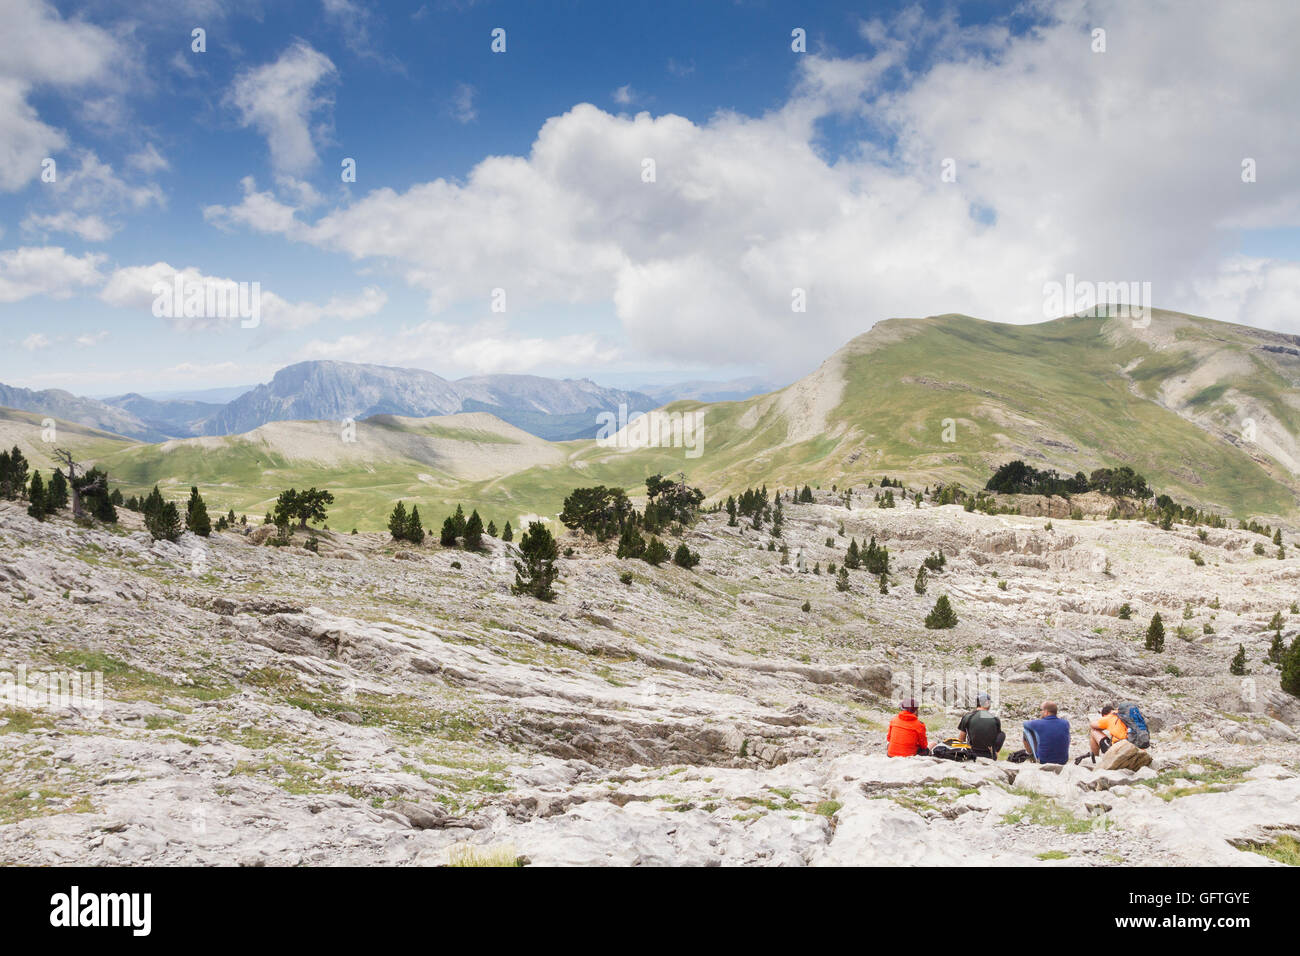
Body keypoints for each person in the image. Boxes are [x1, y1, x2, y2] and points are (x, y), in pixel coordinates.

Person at [957, 692, 1006, 759]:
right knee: (1002, 734)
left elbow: (961, 739)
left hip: (971, 753)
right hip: (988, 755)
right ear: (986, 703)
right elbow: (998, 738)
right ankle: (995, 755)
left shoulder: (967, 717)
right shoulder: (995, 719)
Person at [1021, 700, 1070, 765]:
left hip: (1044, 761)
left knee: (1026, 731)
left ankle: (1030, 755)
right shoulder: (1065, 723)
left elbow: (1025, 724)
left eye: (1041, 710)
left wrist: (1040, 719)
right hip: (1063, 761)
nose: (1040, 712)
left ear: (1046, 712)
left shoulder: (1038, 723)